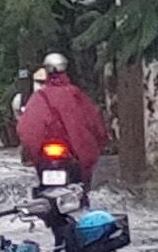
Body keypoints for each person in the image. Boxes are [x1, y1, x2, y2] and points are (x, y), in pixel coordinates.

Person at [16, 53, 108, 186]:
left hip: (45, 155)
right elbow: (93, 121)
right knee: (83, 184)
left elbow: (26, 128)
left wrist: (31, 152)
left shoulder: (39, 97)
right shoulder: (75, 95)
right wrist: (101, 140)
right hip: (73, 153)